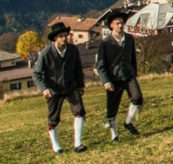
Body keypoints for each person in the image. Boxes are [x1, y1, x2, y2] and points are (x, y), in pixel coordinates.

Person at [34, 21, 87, 154]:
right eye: (61, 36)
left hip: (71, 86)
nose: (64, 39)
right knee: (53, 118)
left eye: (66, 35)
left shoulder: (73, 50)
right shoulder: (46, 53)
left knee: (79, 111)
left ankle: (78, 143)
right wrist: (44, 89)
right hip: (53, 89)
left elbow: (78, 69)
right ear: (55, 38)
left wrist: (80, 85)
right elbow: (36, 74)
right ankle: (56, 145)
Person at [94, 10, 143, 140]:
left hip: (128, 75)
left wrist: (134, 72)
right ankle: (114, 134)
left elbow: (132, 57)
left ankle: (128, 122)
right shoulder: (105, 43)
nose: (120, 26)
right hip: (113, 78)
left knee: (137, 97)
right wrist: (105, 81)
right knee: (112, 108)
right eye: (117, 23)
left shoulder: (129, 39)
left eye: (122, 23)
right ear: (111, 26)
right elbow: (101, 64)